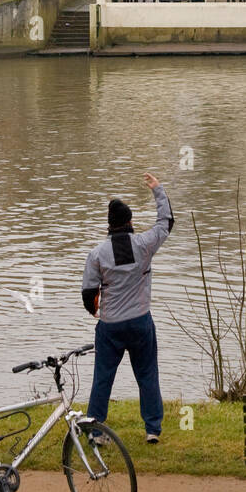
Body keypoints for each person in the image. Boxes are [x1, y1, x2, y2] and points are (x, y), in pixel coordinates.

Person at [82, 172, 174, 443]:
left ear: (109, 225)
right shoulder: (145, 245)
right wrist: (157, 189)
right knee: (147, 375)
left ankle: (97, 431)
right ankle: (152, 429)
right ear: (131, 222)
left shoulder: (97, 254)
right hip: (140, 323)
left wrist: (94, 311)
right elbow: (166, 221)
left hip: (110, 327)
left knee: (102, 378)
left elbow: (88, 292)